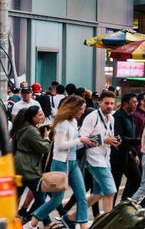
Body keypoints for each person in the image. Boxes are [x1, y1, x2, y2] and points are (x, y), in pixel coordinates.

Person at [27, 96, 97, 229]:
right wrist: (80, 140)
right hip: (60, 164)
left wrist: (88, 142)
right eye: (81, 109)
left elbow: (73, 146)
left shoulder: (74, 122)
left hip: (72, 163)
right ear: (73, 108)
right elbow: (60, 145)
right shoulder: (62, 123)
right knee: (56, 200)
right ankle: (32, 222)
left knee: (81, 196)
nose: (83, 112)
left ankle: (83, 226)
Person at [73, 89, 120, 219]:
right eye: (106, 103)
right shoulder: (92, 117)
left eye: (112, 103)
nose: (109, 106)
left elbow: (107, 137)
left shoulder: (111, 118)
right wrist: (103, 140)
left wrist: (113, 141)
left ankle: (70, 218)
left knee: (97, 194)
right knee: (110, 191)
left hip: (105, 159)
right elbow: (82, 140)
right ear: (99, 102)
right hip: (94, 159)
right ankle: (107, 224)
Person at [13, 106, 50, 220]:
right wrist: (46, 137)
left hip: (21, 166)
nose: (42, 116)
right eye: (39, 115)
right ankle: (36, 221)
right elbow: (44, 148)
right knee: (41, 196)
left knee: (16, 194)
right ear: (32, 117)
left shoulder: (26, 127)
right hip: (29, 168)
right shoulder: (31, 130)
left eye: (42, 113)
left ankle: (14, 217)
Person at [112, 94, 139, 202]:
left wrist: (135, 153)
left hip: (128, 154)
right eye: (133, 102)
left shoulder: (131, 116)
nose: (135, 104)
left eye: (136, 102)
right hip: (118, 156)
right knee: (114, 186)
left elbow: (130, 135)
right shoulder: (119, 117)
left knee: (137, 181)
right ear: (125, 103)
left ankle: (128, 204)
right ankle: (110, 212)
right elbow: (119, 137)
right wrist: (138, 141)